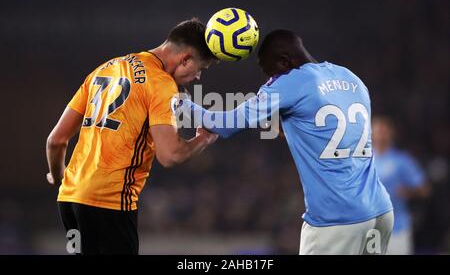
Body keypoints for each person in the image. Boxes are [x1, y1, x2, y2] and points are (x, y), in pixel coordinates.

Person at [179, 29, 394, 254]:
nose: (269, 80)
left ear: (285, 62)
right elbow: (323, 128)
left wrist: (181, 102)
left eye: (269, 71)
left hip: (337, 219)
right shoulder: (350, 77)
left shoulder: (290, 83)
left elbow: (225, 124)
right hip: (380, 211)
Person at [45, 18, 218, 255]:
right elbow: (170, 155)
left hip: (69, 200)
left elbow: (56, 141)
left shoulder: (105, 68)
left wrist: (59, 177)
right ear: (185, 58)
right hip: (110, 201)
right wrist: (203, 139)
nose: (198, 77)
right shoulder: (160, 83)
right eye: (200, 68)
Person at [372, 116, 429, 255]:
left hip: (397, 227)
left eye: (384, 130)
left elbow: (425, 189)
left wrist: (409, 192)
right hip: (370, 228)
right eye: (377, 130)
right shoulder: (363, 160)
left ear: (391, 133)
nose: (381, 134)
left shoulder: (402, 160)